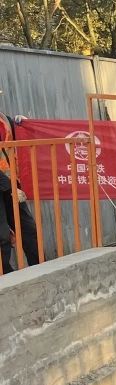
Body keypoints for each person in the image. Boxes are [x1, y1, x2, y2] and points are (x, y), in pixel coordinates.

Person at [0, 111, 40, 274]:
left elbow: (15, 141)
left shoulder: (4, 118)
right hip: (7, 185)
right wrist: (11, 187)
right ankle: (6, 278)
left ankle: (41, 269)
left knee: (28, 229)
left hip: (10, 183)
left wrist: (23, 126)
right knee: (2, 236)